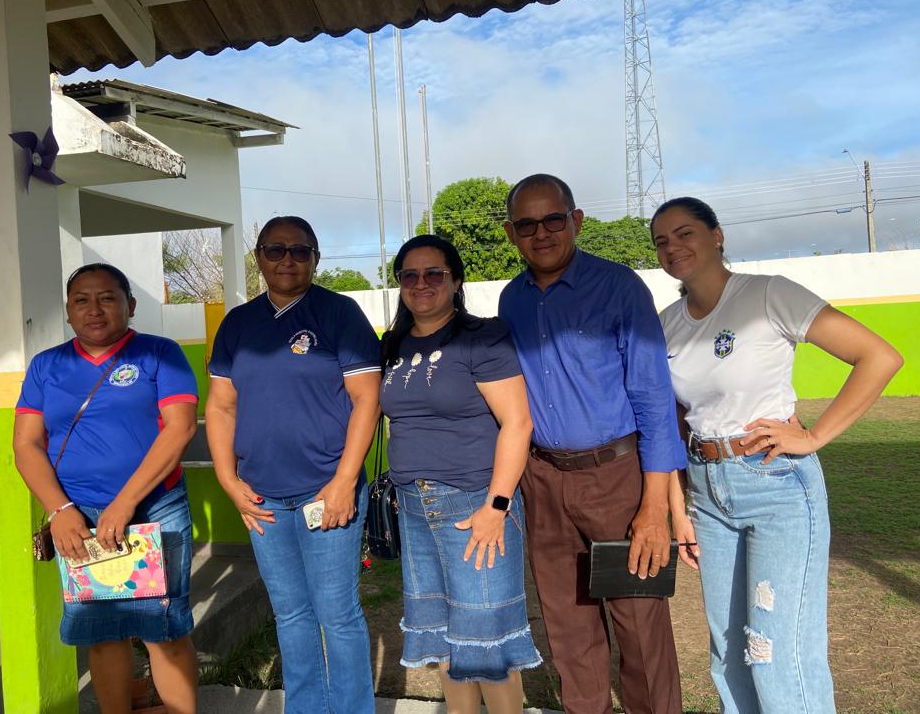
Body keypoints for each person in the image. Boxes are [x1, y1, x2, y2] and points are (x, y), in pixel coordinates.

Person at [651, 197, 903, 714]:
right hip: (706, 491)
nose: (672, 247)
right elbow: (673, 419)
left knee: (773, 653)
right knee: (727, 657)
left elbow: (879, 356)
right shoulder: (666, 324)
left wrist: (814, 437)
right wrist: (680, 508)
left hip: (774, 484)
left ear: (717, 235)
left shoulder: (767, 295)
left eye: (684, 233)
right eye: (661, 241)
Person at [498, 174, 687, 714]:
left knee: (639, 622)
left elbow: (654, 399)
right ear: (512, 233)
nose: (542, 233)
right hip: (545, 479)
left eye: (554, 219)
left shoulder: (619, 287)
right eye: (527, 224)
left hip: (617, 478)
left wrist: (654, 508)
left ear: (576, 221)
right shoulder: (512, 300)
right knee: (567, 624)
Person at [205, 216, 380, 714]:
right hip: (261, 498)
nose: (287, 260)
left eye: (300, 251)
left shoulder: (339, 314)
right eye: (276, 250)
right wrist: (228, 480)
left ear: (316, 258)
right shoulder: (238, 323)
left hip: (326, 491)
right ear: (258, 256)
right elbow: (220, 406)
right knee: (291, 614)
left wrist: (345, 482)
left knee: (336, 613)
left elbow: (366, 400)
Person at [13, 263, 199, 714]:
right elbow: (26, 443)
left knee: (164, 629)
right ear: (68, 310)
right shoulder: (46, 366)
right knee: (102, 632)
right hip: (79, 519)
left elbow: (179, 428)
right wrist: (60, 511)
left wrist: (125, 503)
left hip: (155, 509)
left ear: (130, 305)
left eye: (107, 297)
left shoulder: (160, 353)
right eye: (82, 300)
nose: (94, 309)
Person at [379, 235, 541, 713]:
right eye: (410, 275)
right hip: (413, 506)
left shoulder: (482, 337)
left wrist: (497, 505)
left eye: (434, 274)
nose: (421, 283)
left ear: (456, 280)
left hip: (473, 504)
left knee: (487, 644)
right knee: (448, 641)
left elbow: (518, 423)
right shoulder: (393, 345)